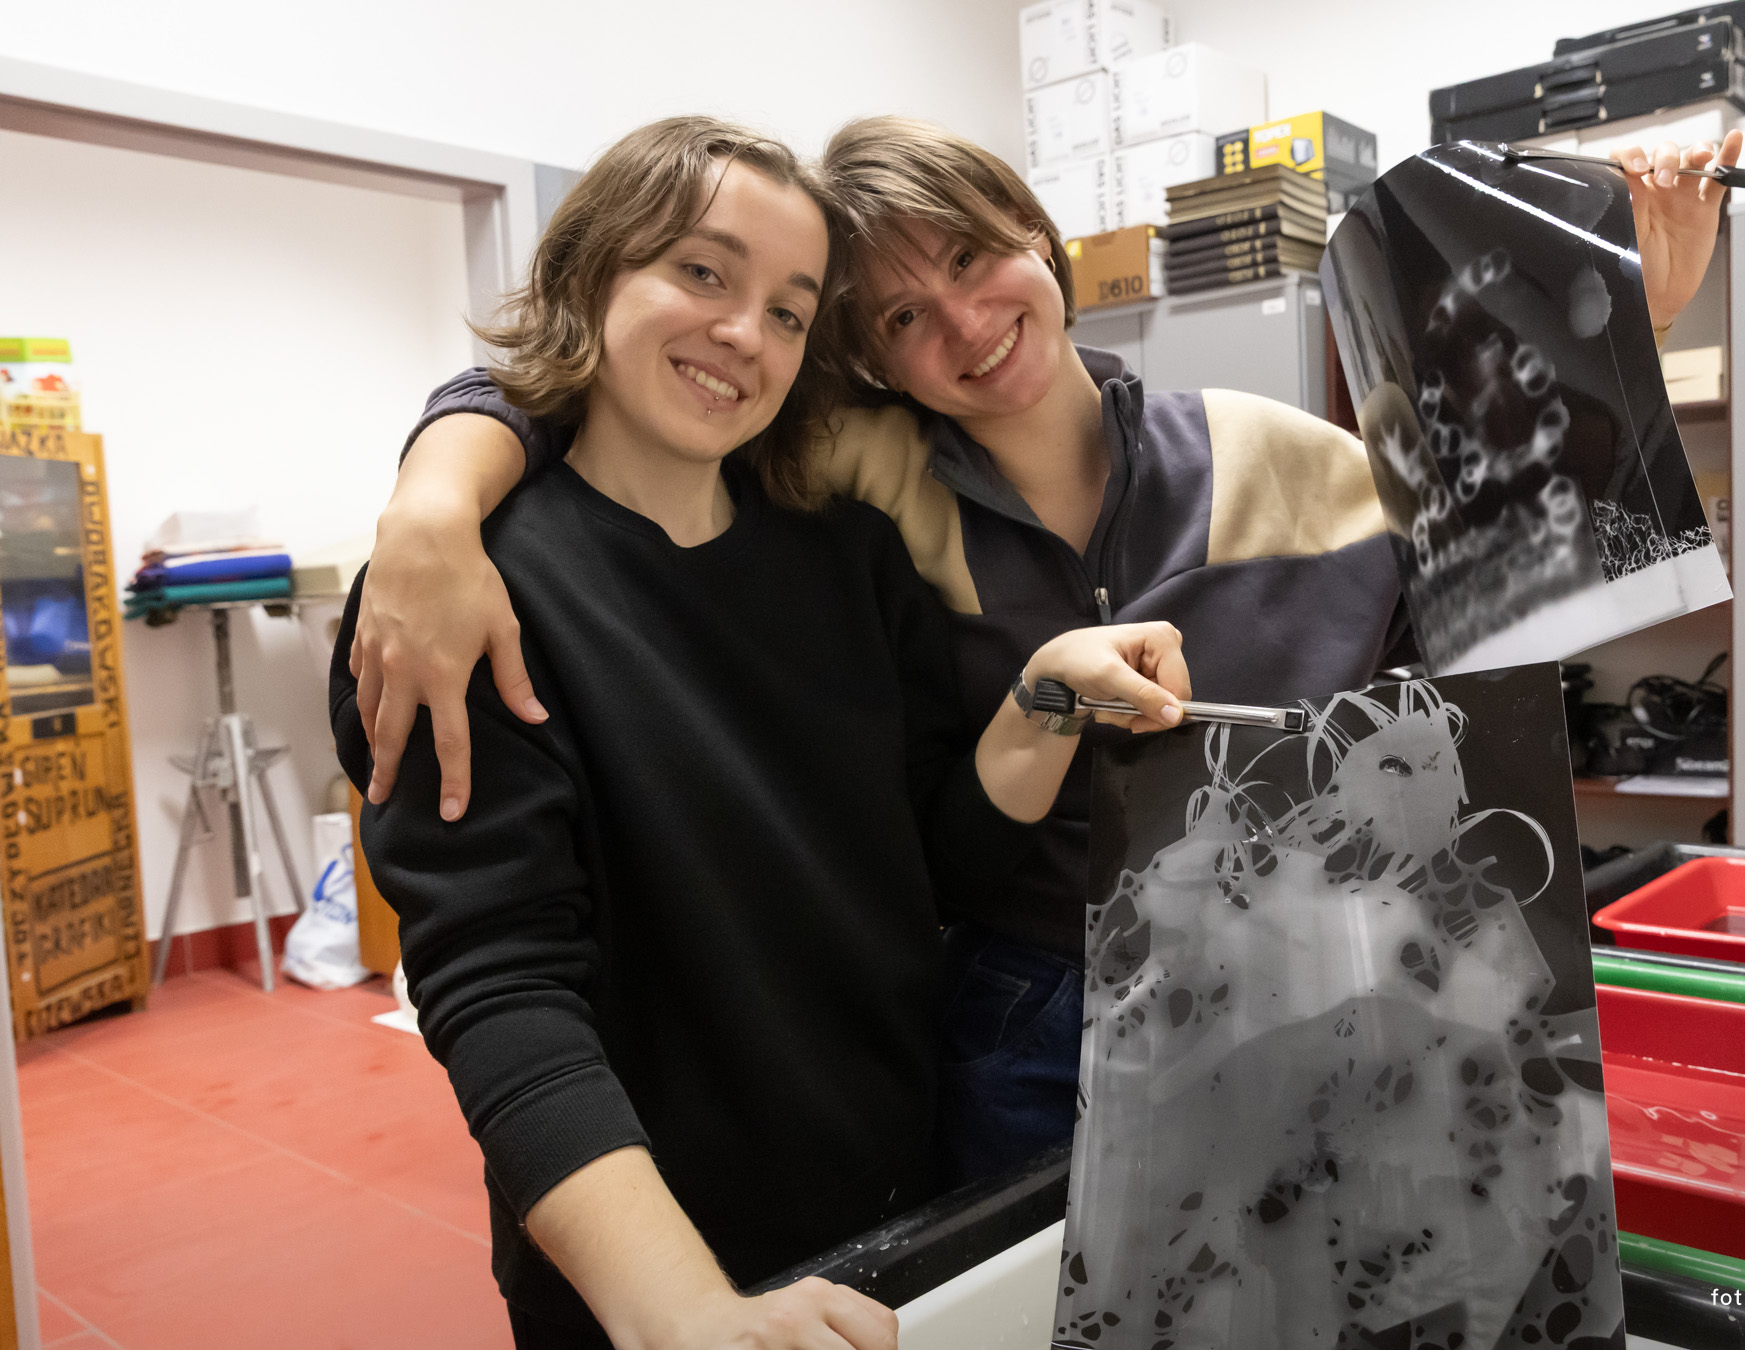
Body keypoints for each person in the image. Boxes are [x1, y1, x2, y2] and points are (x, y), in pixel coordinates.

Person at [350, 122, 1743, 1186]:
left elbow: (1507, 616)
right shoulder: (860, 482)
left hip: (1303, 985)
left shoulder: (1284, 455)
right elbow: (594, 379)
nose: (960, 325)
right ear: (869, 359)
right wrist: (432, 500)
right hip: (1023, 1012)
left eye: (971, 259)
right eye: (899, 316)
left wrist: (1634, 332)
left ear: (1037, 237)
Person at [330, 115, 1190, 1350]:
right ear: (590, 271)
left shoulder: (851, 560)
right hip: (652, 1268)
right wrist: (684, 1307)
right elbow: (501, 984)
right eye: (702, 272)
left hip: (898, 1204)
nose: (746, 333)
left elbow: (938, 865)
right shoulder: (468, 598)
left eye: (790, 312)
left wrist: (1045, 695)